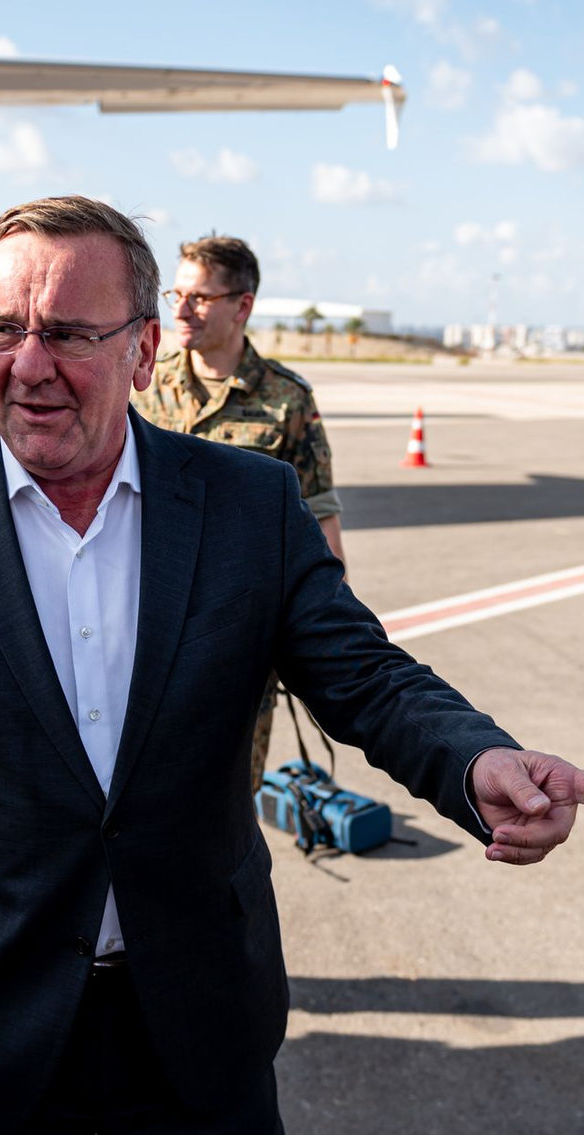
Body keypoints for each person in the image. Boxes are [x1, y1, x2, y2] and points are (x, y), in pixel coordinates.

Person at [0, 195, 584, 1135]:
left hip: (196, 1012)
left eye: (68, 333)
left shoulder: (250, 503)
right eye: (2, 328)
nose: (28, 365)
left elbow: (363, 674)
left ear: (144, 348)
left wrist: (476, 760)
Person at [131, 235, 343, 799]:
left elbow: (320, 521)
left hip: (239, 643)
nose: (181, 310)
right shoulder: (143, 386)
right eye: (176, 294)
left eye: (200, 298)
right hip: (140, 629)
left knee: (226, 804)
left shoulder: (286, 400)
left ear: (242, 305)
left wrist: (324, 640)